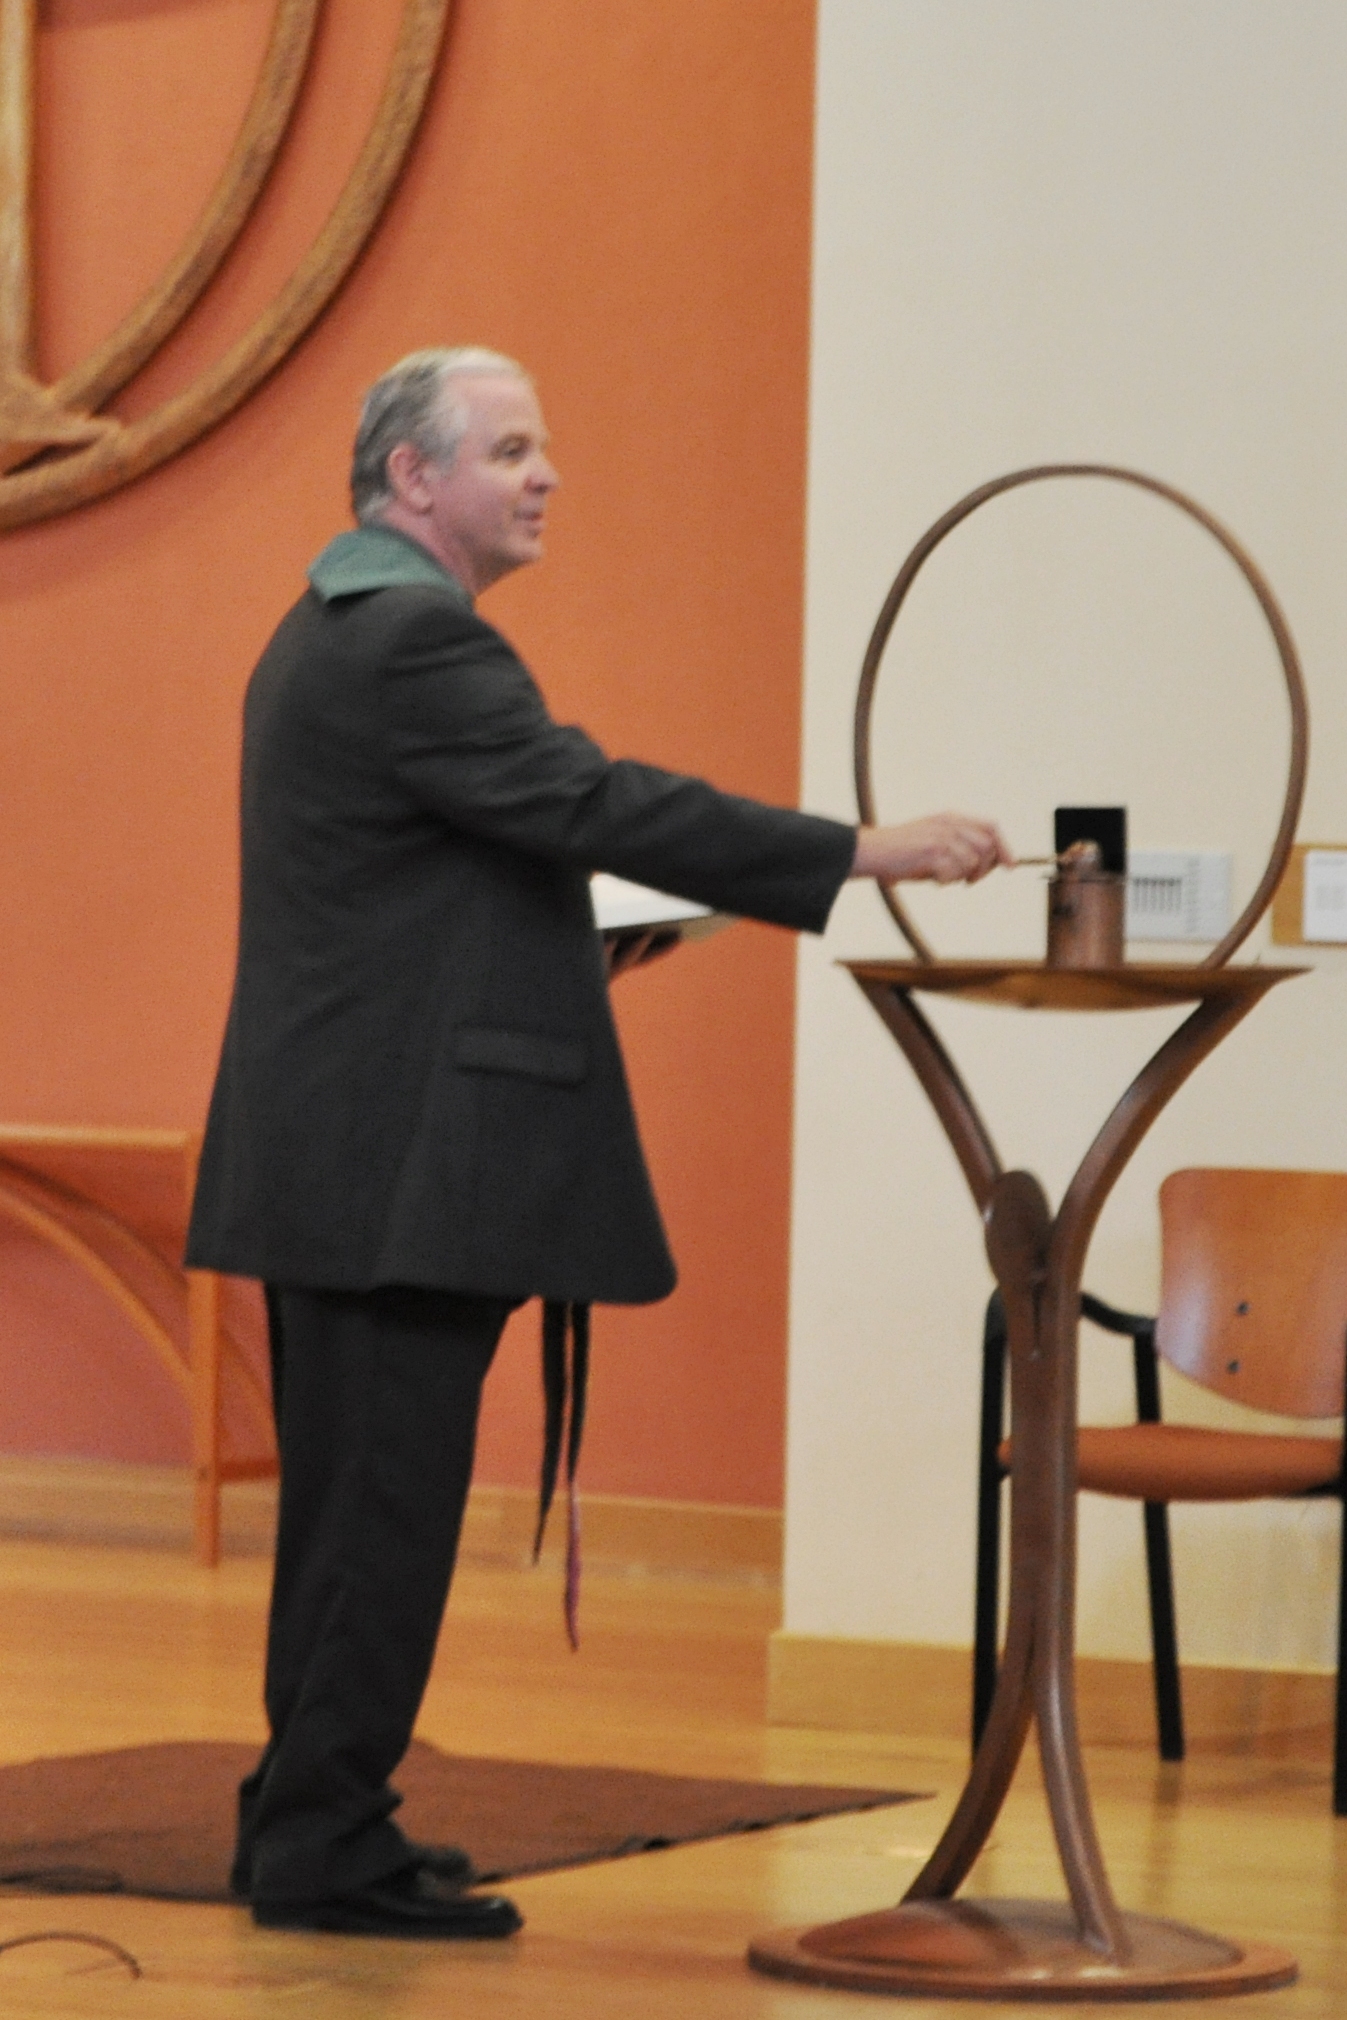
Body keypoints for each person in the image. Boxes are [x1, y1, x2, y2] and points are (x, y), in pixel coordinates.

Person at [185, 346, 1009, 1940]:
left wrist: (571, 943)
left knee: (350, 1519)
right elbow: (597, 804)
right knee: (379, 1520)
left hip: (343, 1156)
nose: (546, 473)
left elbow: (440, 889)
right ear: (413, 477)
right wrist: (863, 850)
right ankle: (321, 1844)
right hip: (394, 1173)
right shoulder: (417, 641)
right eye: (510, 449)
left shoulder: (337, 630)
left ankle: (310, 1817)